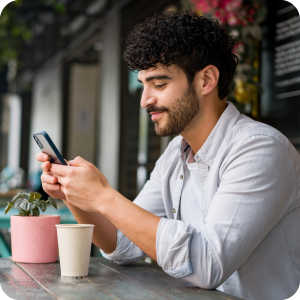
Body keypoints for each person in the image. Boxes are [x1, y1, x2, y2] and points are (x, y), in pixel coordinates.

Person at [37, 11, 300, 300]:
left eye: (159, 85)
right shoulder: (176, 153)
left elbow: (207, 265)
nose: (144, 101)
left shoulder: (259, 149)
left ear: (206, 80)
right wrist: (74, 194)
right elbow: (123, 245)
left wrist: (103, 196)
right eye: (143, 85)